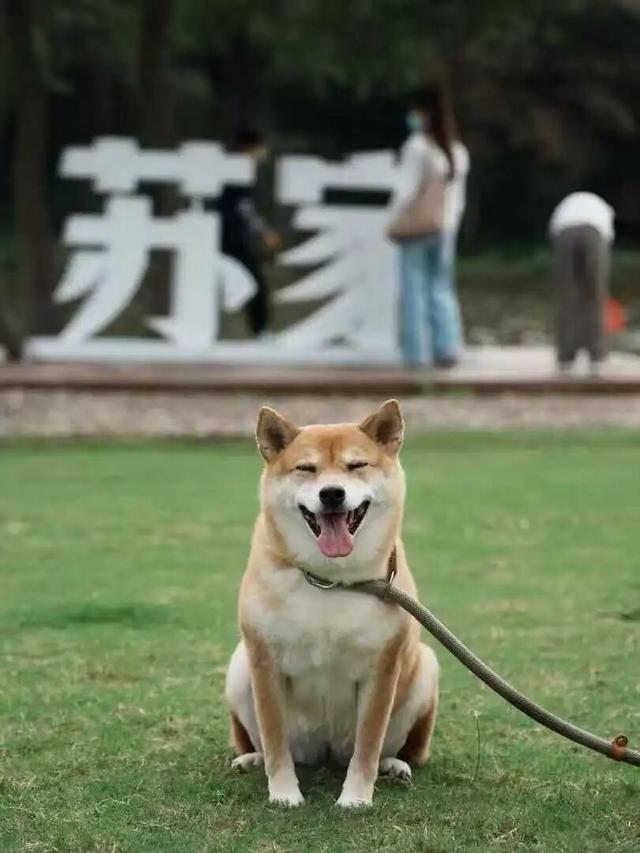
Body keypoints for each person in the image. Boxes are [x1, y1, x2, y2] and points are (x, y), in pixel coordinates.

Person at [389, 83, 469, 368]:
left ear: (424, 114)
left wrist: (393, 220)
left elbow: (405, 192)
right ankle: (447, 349)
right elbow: (458, 199)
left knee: (414, 290)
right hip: (445, 229)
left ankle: (416, 354)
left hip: (417, 230)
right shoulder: (457, 151)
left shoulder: (416, 148)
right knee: (442, 289)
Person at [219, 128, 280, 338]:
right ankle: (261, 332)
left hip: (230, 238)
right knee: (254, 283)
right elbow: (244, 208)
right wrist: (264, 232)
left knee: (249, 283)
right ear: (250, 148)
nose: (264, 154)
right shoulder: (236, 171)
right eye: (261, 149)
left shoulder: (238, 170)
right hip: (226, 239)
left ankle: (261, 331)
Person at [549, 192, 614, 374]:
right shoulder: (604, 211)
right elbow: (606, 241)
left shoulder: (564, 207)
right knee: (595, 295)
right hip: (594, 233)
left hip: (564, 232)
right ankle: (596, 358)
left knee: (566, 297)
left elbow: (554, 233)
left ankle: (565, 359)